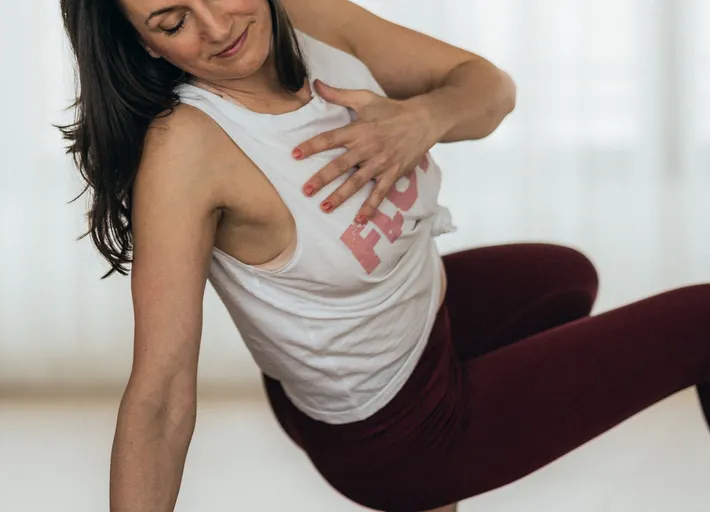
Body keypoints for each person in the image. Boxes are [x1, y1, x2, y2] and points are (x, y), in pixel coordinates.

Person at [55, 0, 710, 511]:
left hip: (406, 332)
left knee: (564, 278)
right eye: (173, 22)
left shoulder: (307, 22)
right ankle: (425, 484)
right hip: (392, 432)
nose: (218, 25)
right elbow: (161, 394)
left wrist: (421, 118)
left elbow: (490, 89)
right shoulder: (187, 154)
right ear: (145, 43)